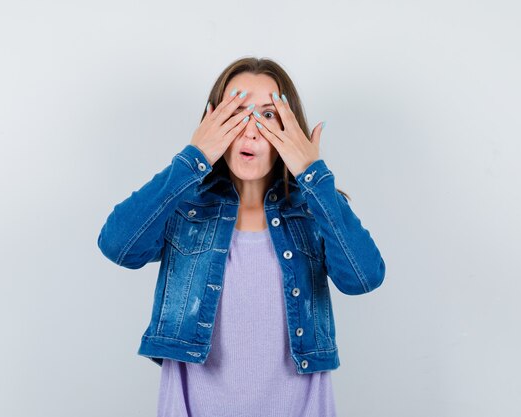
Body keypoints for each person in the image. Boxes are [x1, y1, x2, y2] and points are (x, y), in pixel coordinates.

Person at [97, 57, 386, 416]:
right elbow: (117, 245)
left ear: (290, 127)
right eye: (237, 112)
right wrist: (192, 158)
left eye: (267, 115)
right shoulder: (185, 206)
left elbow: (364, 278)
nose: (250, 130)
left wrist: (313, 174)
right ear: (213, 122)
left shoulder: (314, 210)